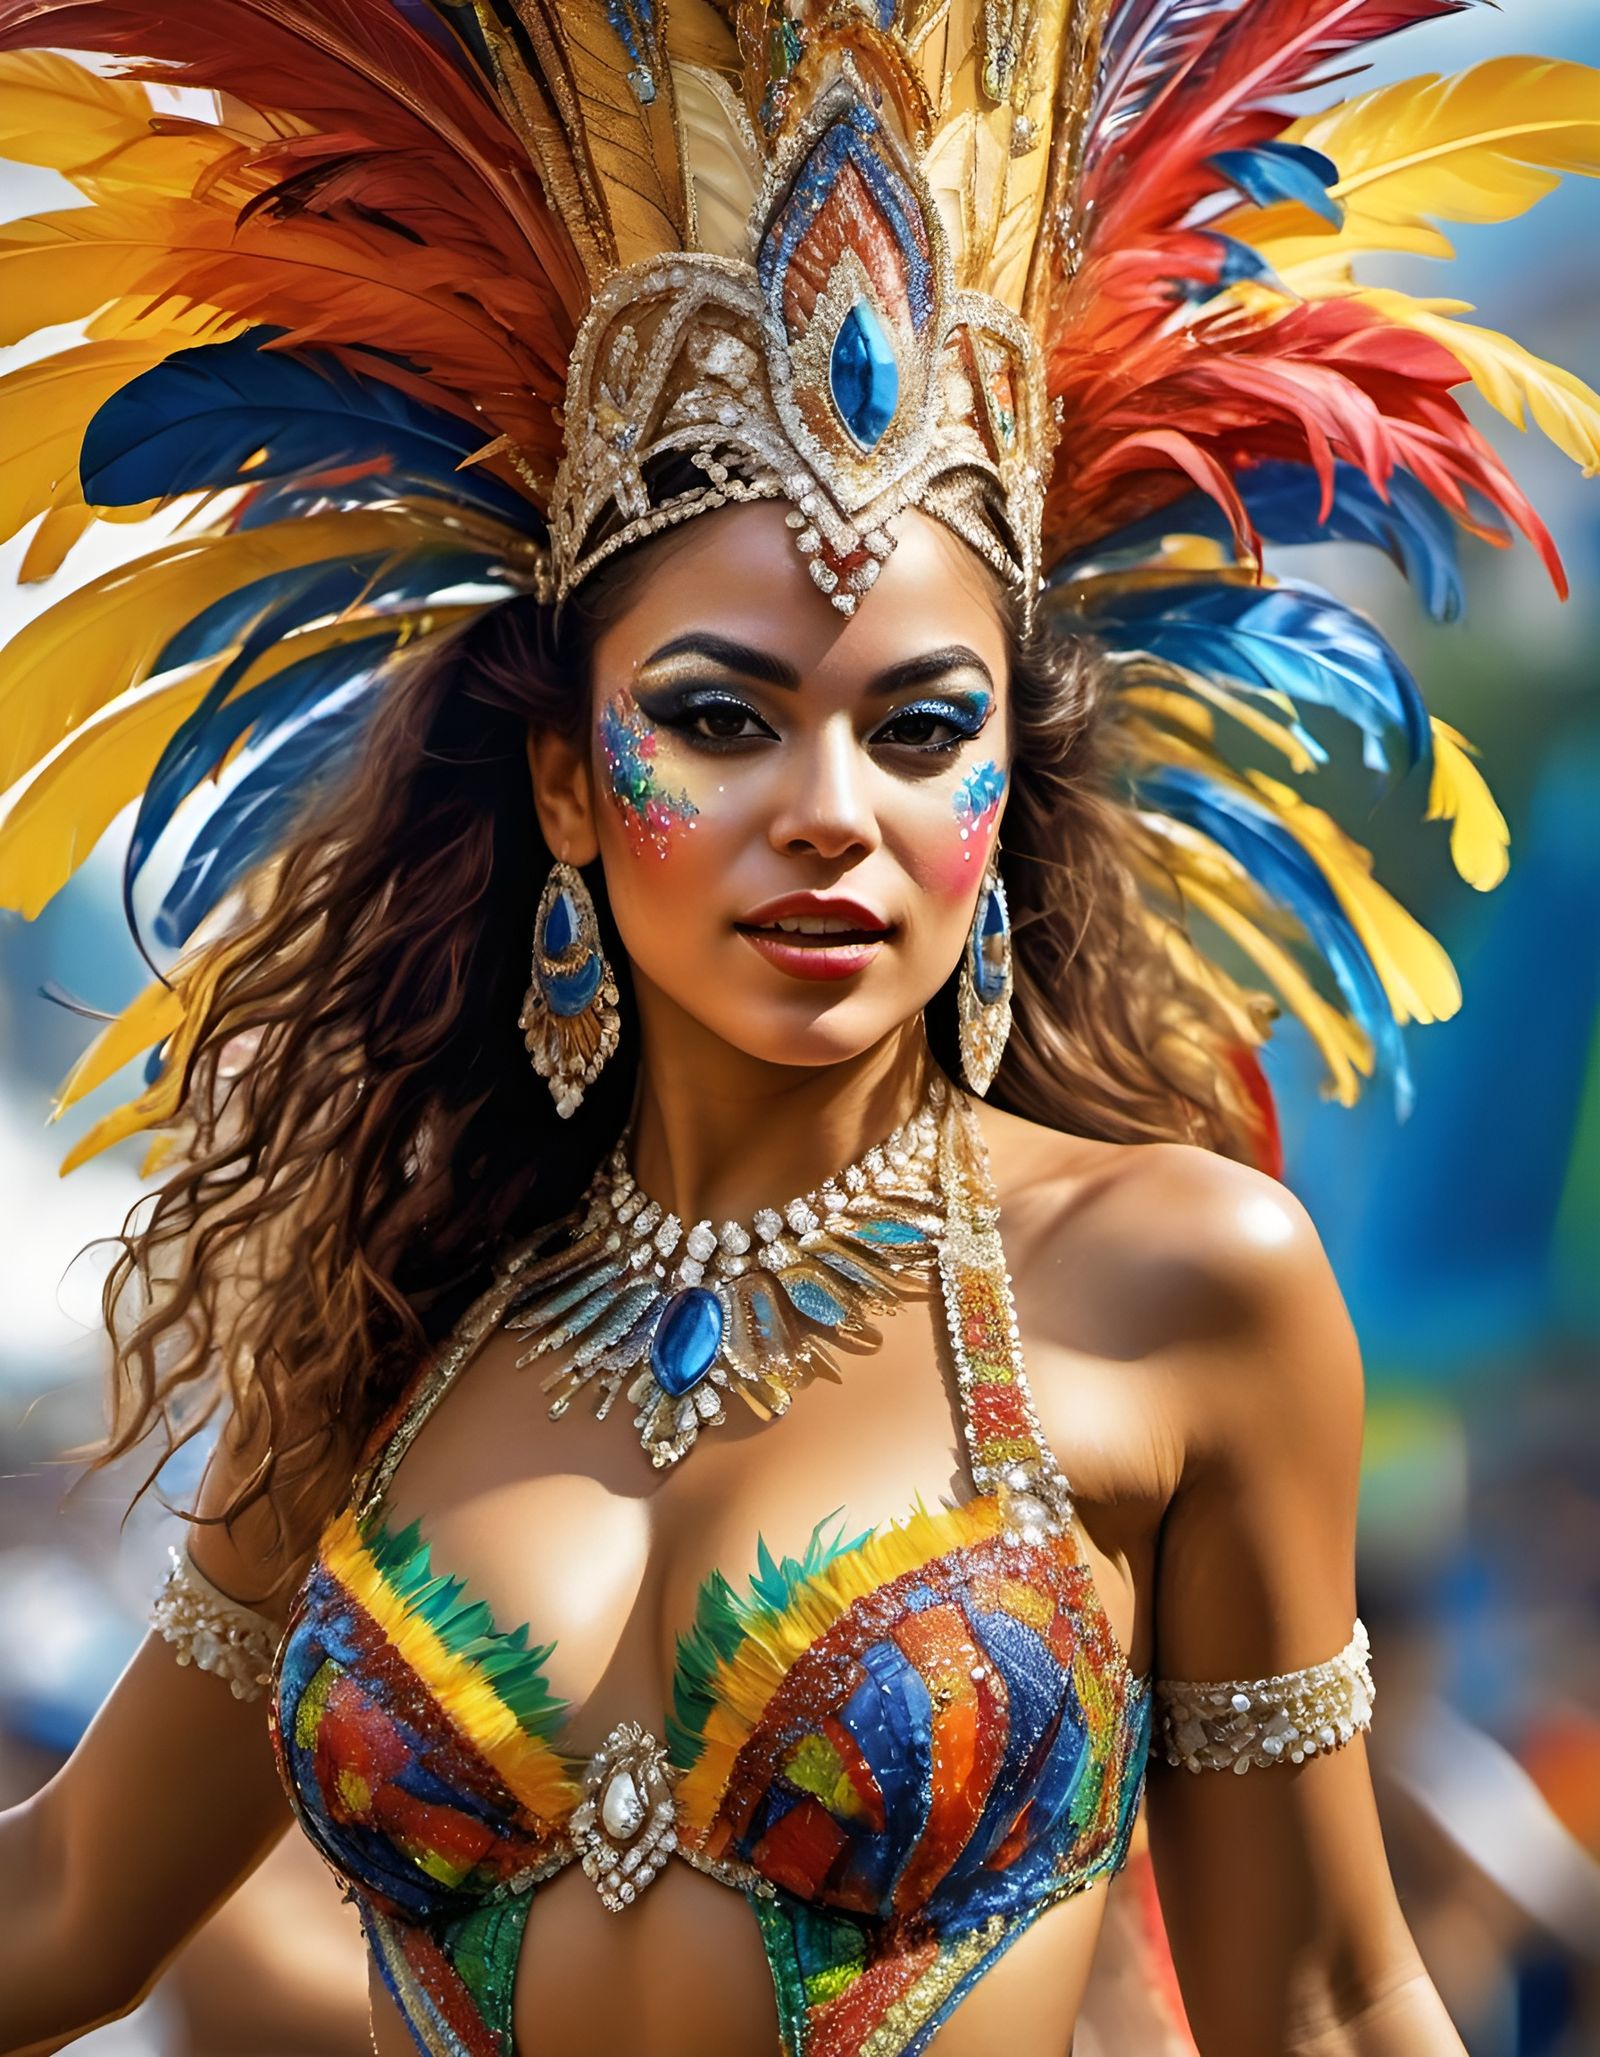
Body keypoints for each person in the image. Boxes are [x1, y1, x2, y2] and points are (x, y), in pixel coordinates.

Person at [0, 4, 1594, 2054]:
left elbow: (1322, 2000)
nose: (829, 813)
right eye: (719, 719)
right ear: (568, 784)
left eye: (917, 730)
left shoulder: (1183, 1287)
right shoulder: (391, 1309)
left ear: (1001, 787)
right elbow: (69, 1902)